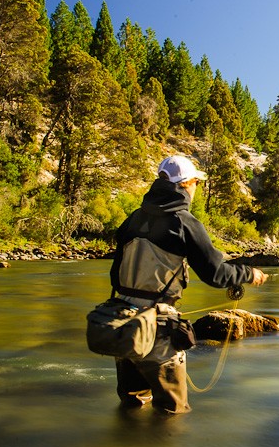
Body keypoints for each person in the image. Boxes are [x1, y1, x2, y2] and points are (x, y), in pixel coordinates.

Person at [109, 154, 267, 414]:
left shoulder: (134, 218)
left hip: (123, 322)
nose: (196, 188)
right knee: (172, 410)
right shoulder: (184, 222)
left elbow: (116, 275)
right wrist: (249, 274)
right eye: (196, 182)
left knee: (132, 402)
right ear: (186, 184)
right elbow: (215, 274)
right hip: (158, 327)